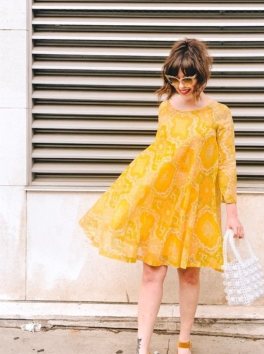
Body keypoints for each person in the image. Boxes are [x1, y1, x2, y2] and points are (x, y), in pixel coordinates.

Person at [78, 38, 244, 354]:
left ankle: (184, 343)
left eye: (188, 78)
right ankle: (143, 348)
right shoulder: (165, 109)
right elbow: (160, 155)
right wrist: (134, 189)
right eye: (174, 78)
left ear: (202, 74)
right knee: (152, 272)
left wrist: (232, 213)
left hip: (196, 206)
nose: (180, 85)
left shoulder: (219, 114)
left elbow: (227, 165)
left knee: (190, 273)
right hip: (161, 203)